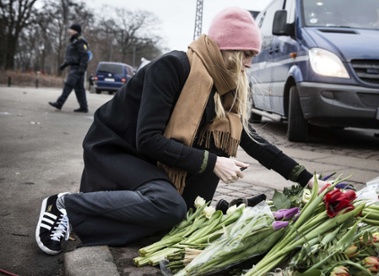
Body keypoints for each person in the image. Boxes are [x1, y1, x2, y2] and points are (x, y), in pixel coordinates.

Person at [35, 7, 328, 255]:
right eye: (246, 53)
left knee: (183, 216)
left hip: (147, 161)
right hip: (115, 149)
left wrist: (309, 181)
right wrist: (213, 162)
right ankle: (63, 204)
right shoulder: (172, 67)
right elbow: (148, 140)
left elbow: (254, 141)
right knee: (169, 206)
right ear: (227, 49)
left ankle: (93, 218)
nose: (250, 63)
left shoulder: (224, 89)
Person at [49, 24, 89, 113]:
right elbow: (72, 56)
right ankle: (84, 107)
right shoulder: (74, 41)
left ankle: (59, 103)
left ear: (76, 31)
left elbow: (84, 55)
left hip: (77, 68)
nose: (69, 30)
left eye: (71, 29)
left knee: (69, 85)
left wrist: (82, 68)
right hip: (74, 67)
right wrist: (64, 65)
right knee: (79, 89)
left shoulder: (80, 41)